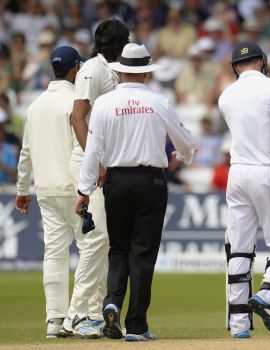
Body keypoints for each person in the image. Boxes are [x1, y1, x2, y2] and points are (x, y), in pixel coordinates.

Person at [74, 43, 195, 342]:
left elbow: (93, 153)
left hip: (116, 181)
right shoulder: (158, 101)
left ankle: (112, 303)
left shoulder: (104, 103)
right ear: (146, 72)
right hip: (150, 181)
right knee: (142, 253)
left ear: (120, 71)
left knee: (118, 249)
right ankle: (137, 325)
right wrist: (184, 156)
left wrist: (83, 190)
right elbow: (185, 141)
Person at [218, 41, 270, 339]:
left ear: (235, 66)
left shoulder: (226, 95)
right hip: (267, 171)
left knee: (239, 248)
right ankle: (266, 293)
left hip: (237, 173)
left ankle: (239, 327)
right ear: (262, 61)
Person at [14, 46, 87, 339]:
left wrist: (22, 190)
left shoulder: (34, 106)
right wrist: (88, 186)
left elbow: (26, 153)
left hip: (45, 190)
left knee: (54, 254)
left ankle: (54, 320)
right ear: (75, 69)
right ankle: (81, 317)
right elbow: (84, 149)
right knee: (91, 252)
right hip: (76, 190)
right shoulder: (77, 103)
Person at [65, 19, 129, 337]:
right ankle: (76, 313)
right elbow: (77, 117)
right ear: (120, 43)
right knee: (97, 239)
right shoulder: (92, 70)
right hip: (92, 163)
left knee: (106, 242)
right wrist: (97, 163)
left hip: (108, 164)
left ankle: (94, 312)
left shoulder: (113, 69)